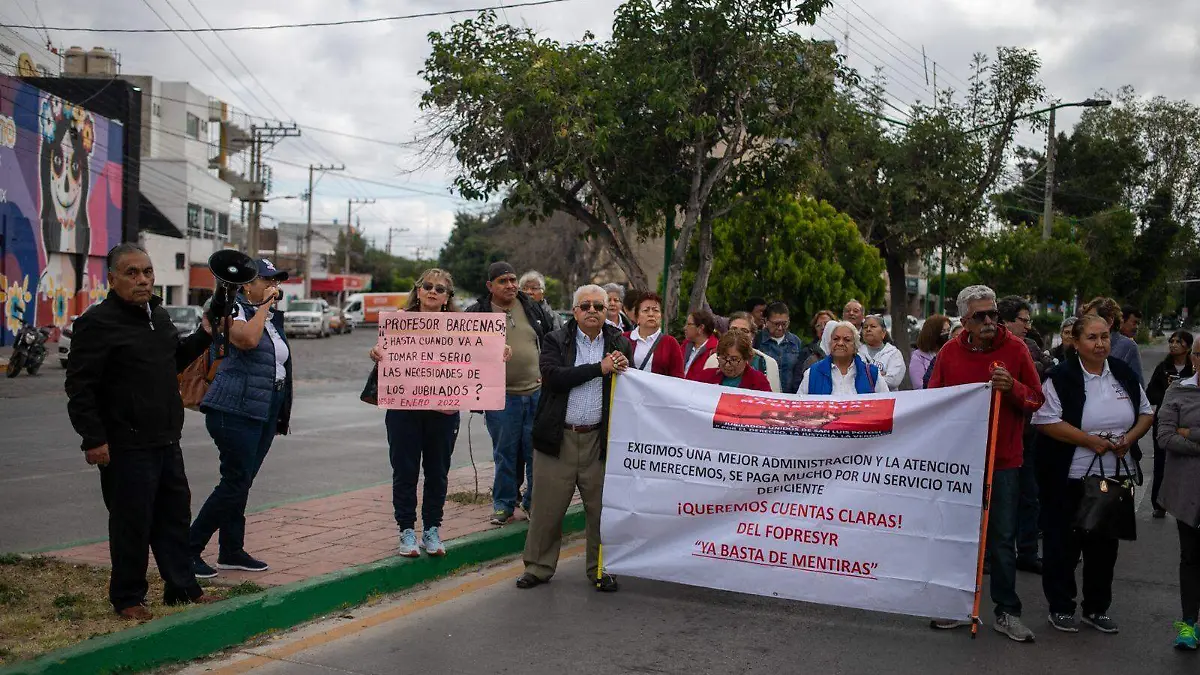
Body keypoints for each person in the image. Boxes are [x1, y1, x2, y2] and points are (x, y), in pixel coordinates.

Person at [65, 243, 217, 619]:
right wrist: (93, 439)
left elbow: (173, 360)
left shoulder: (158, 316)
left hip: (165, 438)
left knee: (174, 518)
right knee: (132, 523)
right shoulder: (97, 323)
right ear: (112, 278)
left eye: (147, 272)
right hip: (125, 443)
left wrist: (204, 335)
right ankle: (128, 597)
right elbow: (80, 387)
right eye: (132, 273)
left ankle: (182, 588)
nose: (143, 280)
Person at [928, 285, 1044, 642]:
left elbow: (1036, 399)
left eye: (994, 313)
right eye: (981, 316)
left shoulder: (1016, 349)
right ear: (965, 320)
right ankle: (959, 605)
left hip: (1003, 461)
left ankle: (1007, 611)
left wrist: (1013, 388)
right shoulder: (949, 352)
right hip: (962, 461)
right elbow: (933, 399)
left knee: (1002, 539)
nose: (991, 320)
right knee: (959, 536)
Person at [1033, 313, 1152, 635]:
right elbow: (1045, 420)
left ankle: (1096, 608)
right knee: (1063, 545)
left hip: (1113, 477)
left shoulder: (1123, 373)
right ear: (1075, 342)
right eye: (1092, 338)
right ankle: (1061, 607)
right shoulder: (1060, 377)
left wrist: (1129, 439)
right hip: (1068, 477)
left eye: (1105, 337)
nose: (1100, 344)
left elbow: (1146, 413)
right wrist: (1089, 441)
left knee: (1103, 547)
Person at [517, 284, 632, 592]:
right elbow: (554, 378)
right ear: (575, 311)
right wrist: (600, 368)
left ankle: (601, 569)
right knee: (547, 509)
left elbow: (629, 387)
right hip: (558, 438)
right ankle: (538, 567)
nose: (592, 310)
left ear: (608, 311)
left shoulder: (620, 342)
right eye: (585, 306)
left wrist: (622, 367)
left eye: (599, 306)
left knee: (601, 511)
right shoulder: (555, 339)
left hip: (598, 440)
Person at [190, 258, 294, 578]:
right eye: (267, 280)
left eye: (276, 281)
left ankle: (231, 549)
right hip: (233, 408)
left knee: (241, 482)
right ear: (248, 284)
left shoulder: (270, 318)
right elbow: (247, 340)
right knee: (234, 482)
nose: (273, 286)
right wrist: (263, 307)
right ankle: (188, 549)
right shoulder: (232, 308)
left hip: (263, 408)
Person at [368, 269, 464, 557]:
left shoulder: (464, 328)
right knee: (405, 471)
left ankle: (432, 529)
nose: (433, 291)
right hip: (404, 409)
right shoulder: (398, 322)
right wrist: (376, 353)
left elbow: (481, 355)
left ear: (447, 297)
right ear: (418, 291)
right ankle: (406, 530)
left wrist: (500, 352)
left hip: (443, 412)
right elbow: (383, 352)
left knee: (437, 473)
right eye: (428, 286)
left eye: (440, 289)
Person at [466, 261, 557, 526]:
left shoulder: (532, 307)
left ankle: (532, 503)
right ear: (490, 286)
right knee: (505, 453)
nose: (510, 285)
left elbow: (551, 340)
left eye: (513, 280)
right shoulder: (477, 313)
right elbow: (464, 352)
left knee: (535, 453)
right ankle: (504, 505)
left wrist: (548, 372)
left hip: (536, 393)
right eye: (503, 281)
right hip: (500, 396)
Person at [997, 295, 1054, 575]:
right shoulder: (990, 347)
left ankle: (1028, 551)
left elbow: (1043, 375)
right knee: (999, 499)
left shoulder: (1028, 346)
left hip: (1027, 434)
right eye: (1023, 320)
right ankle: (991, 554)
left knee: (1029, 496)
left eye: (1029, 321)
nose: (1028, 326)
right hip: (997, 437)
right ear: (1006, 321)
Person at [1154, 345, 1200, 650]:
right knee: (1191, 557)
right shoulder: (1178, 392)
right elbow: (1165, 436)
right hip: (1188, 491)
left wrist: (1190, 432)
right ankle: (1189, 624)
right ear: (1195, 358)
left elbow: (1179, 434)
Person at [1148, 330, 1196, 518]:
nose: (1173, 345)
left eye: (1178, 342)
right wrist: (1168, 392)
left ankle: (1186, 503)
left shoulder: (1193, 369)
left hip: (1187, 423)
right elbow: (1150, 394)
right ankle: (1158, 504)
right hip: (1165, 421)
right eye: (1172, 341)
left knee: (1185, 464)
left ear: (1188, 347)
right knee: (1160, 463)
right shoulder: (1163, 368)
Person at [798, 321, 888, 395]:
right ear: (830, 343)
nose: (840, 343)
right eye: (836, 339)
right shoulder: (812, 373)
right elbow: (801, 406)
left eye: (847, 340)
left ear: (855, 346)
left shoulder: (872, 374)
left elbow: (886, 404)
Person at [703, 312, 782, 392]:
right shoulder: (708, 371)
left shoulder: (761, 376)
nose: (727, 365)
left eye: (734, 359)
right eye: (733, 329)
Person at [622, 292, 684, 377]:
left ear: (661, 316)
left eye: (656, 310)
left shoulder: (671, 343)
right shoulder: (624, 339)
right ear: (637, 317)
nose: (651, 314)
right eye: (646, 310)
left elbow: (678, 377)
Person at [1083, 297, 1143, 385]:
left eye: (1092, 319)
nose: (1086, 324)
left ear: (1109, 321)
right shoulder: (1082, 344)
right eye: (1085, 319)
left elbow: (1137, 386)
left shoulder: (1128, 347)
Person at [695, 330, 772, 391]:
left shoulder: (758, 381)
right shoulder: (705, 377)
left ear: (746, 358)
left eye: (734, 359)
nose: (727, 365)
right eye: (723, 358)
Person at [754, 302, 805, 393]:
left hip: (790, 395)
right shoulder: (757, 340)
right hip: (764, 393)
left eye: (784, 324)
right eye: (776, 324)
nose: (780, 328)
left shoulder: (795, 342)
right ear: (766, 321)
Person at [858, 315, 906, 390]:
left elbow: (893, 381)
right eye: (865, 327)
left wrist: (866, 378)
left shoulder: (894, 353)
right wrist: (880, 375)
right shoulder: (857, 353)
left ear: (883, 332)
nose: (868, 329)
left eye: (873, 326)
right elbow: (853, 379)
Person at [909, 315, 949, 391]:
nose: (947, 334)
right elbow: (919, 387)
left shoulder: (949, 352)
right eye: (943, 331)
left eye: (948, 330)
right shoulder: (918, 357)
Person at [682, 310, 719, 380]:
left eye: (689, 324)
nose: (685, 328)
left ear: (701, 328)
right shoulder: (685, 345)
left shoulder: (714, 351)